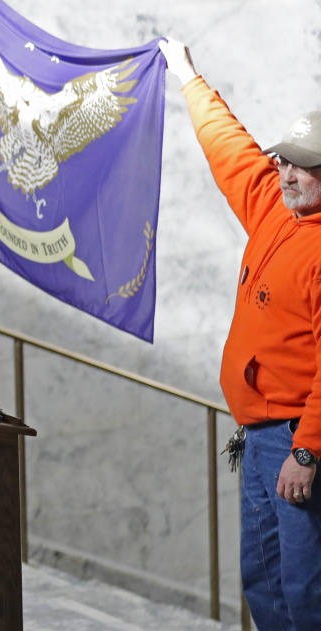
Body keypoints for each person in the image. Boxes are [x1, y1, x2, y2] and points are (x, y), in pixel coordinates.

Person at [160, 38, 321, 629]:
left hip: (297, 443)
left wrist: (307, 449)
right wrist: (187, 75)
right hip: (260, 437)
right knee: (265, 580)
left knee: (305, 590)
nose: (285, 171)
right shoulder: (277, 207)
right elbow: (229, 148)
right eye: (284, 159)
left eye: (302, 162)